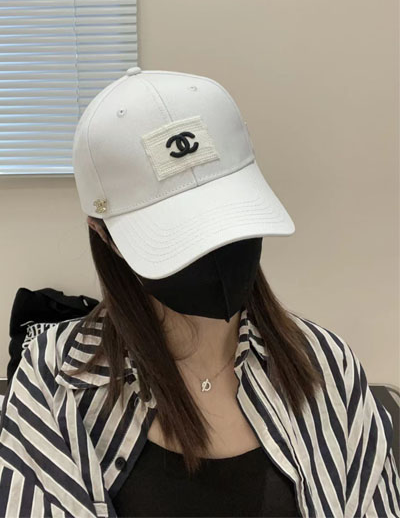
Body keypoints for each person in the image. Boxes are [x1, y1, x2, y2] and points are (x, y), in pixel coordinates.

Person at [0, 68, 399, 518]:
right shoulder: (56, 376)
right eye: (176, 234)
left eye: (228, 216)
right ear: (102, 233)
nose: (213, 253)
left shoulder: (326, 365)